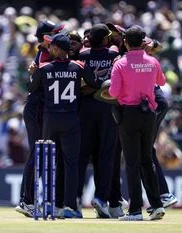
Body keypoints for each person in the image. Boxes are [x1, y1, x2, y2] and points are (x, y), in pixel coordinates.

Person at [29, 33, 101, 218]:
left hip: (50, 120)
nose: (50, 49)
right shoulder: (77, 67)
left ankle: (49, 204)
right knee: (71, 164)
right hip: (70, 119)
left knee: (48, 163)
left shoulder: (44, 68)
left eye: (52, 46)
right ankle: (69, 206)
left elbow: (32, 88)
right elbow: (94, 83)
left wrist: (34, 72)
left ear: (57, 48)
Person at [109, 25, 166, 221]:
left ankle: (135, 210)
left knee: (132, 163)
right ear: (143, 42)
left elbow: (114, 93)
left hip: (129, 114)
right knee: (146, 160)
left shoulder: (120, 64)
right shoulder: (153, 61)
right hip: (149, 113)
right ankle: (157, 205)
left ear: (125, 42)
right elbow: (162, 82)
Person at [15, 20, 64, 217]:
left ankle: (28, 200)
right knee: (38, 153)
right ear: (46, 38)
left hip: (41, 108)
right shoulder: (45, 55)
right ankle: (27, 201)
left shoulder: (45, 54)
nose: (61, 36)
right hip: (37, 107)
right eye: (55, 34)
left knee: (40, 153)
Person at [77, 24, 120, 219]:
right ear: (104, 40)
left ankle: (74, 199)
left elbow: (85, 82)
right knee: (106, 155)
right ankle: (101, 198)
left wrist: (91, 87)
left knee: (82, 154)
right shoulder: (113, 55)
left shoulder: (83, 56)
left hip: (86, 107)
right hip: (107, 107)